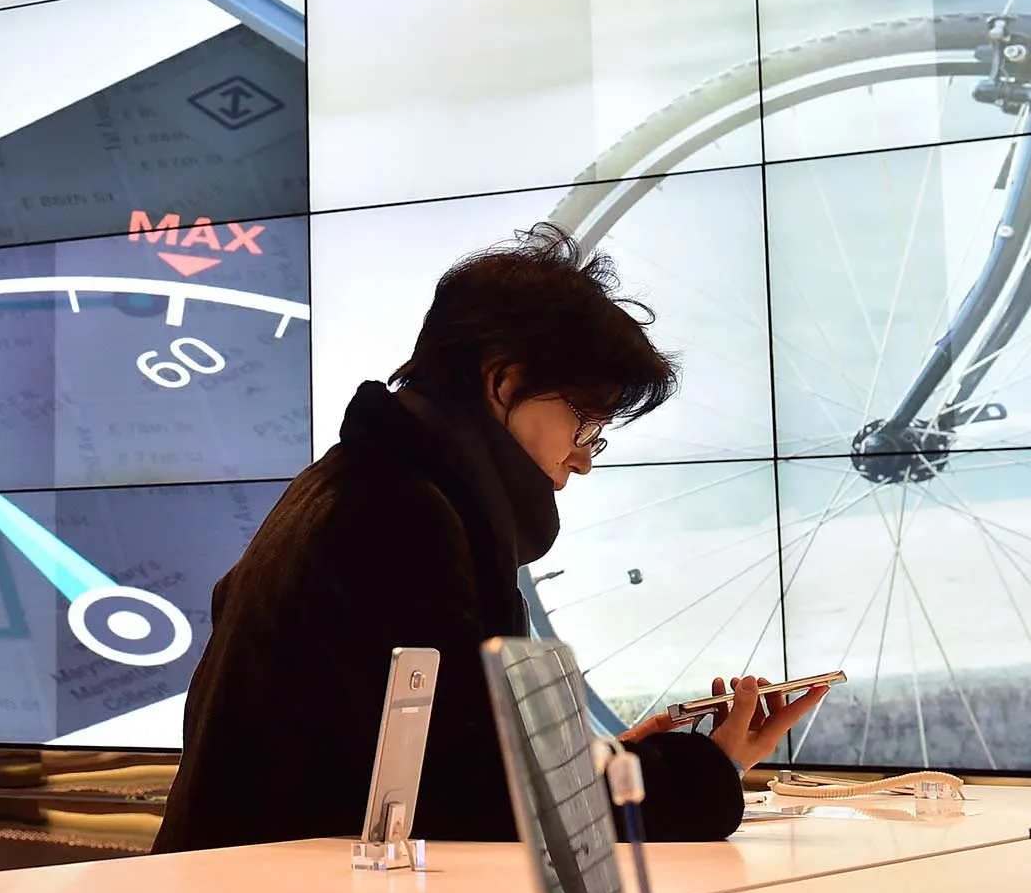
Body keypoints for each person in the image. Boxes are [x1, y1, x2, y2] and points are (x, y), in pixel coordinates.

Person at [155, 224, 826, 852]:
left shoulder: (360, 482)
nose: (583, 459)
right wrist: (699, 774)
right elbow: (461, 791)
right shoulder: (398, 514)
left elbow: (432, 765)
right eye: (585, 423)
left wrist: (617, 765)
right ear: (503, 381)